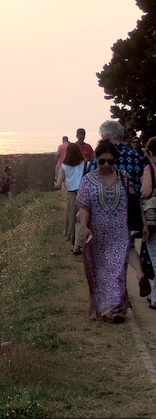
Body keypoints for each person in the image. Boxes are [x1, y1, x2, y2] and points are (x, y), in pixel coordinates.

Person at [76, 140, 141, 322]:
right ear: (95, 159)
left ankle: (115, 309)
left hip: (120, 232)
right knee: (101, 272)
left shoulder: (124, 177)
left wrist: (142, 224)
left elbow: (134, 204)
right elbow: (83, 208)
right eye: (102, 161)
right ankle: (109, 308)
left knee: (118, 271)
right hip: (97, 235)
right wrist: (84, 226)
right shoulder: (88, 180)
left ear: (115, 161)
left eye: (110, 161)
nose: (106, 165)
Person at [55, 143, 85, 254]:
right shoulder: (84, 164)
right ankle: (78, 245)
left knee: (71, 219)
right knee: (81, 219)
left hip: (71, 194)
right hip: (83, 194)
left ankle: (73, 243)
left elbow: (58, 184)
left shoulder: (64, 166)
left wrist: (54, 185)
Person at [140, 137, 156, 308]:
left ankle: (155, 299)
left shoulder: (150, 168)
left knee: (155, 258)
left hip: (154, 220)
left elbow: (146, 192)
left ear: (151, 153)